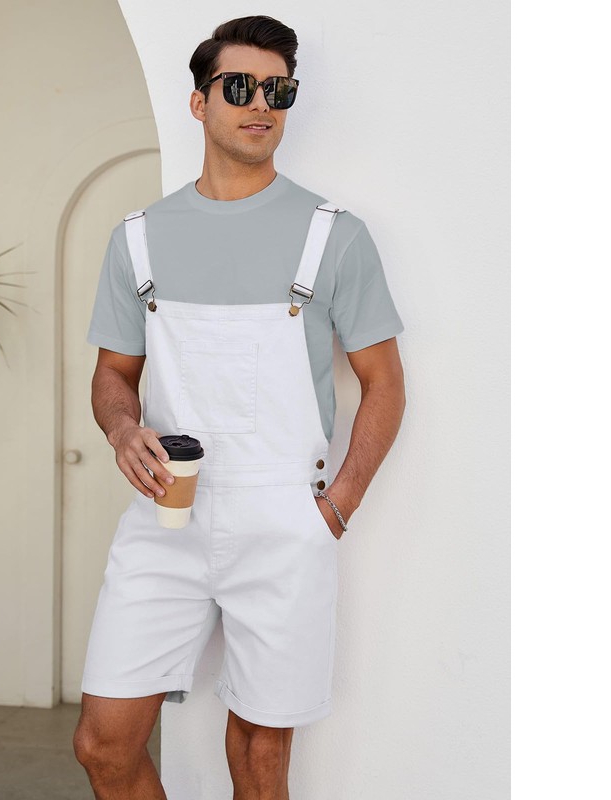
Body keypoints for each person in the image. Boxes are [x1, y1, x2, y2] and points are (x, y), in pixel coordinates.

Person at [73, 14, 406, 800]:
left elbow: (385, 384)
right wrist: (122, 428)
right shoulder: (138, 239)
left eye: (279, 91)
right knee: (103, 745)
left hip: (285, 527)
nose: (262, 104)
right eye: (241, 86)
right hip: (166, 519)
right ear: (199, 103)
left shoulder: (333, 237)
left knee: (259, 757)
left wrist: (336, 508)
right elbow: (113, 374)